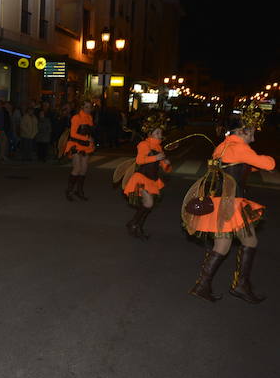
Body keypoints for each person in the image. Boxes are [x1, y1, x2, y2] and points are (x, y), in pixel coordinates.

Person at [186, 105, 276, 303]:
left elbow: (231, 167)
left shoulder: (224, 146)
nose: (255, 133)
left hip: (221, 202)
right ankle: (240, 285)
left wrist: (249, 166)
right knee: (250, 241)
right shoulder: (239, 148)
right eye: (252, 130)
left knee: (223, 244)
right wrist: (263, 161)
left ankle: (203, 285)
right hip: (232, 204)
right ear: (243, 131)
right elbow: (269, 164)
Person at [117, 115, 171, 239]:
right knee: (148, 204)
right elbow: (140, 160)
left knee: (148, 205)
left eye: (160, 133)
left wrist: (166, 164)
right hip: (142, 178)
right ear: (150, 133)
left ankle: (135, 225)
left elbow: (162, 166)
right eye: (157, 133)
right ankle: (134, 225)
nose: (160, 135)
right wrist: (156, 158)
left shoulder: (158, 147)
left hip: (152, 180)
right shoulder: (143, 144)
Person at [63, 100, 95, 201]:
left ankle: (79, 191)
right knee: (77, 168)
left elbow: (90, 132)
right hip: (75, 145)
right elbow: (73, 134)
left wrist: (91, 139)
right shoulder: (76, 118)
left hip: (86, 146)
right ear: (82, 108)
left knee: (84, 169)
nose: (89, 109)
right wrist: (86, 138)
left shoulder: (90, 118)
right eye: (86, 107)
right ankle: (69, 191)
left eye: (90, 107)